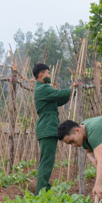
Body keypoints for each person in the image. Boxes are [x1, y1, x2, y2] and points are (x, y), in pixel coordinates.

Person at [32, 63, 73, 194]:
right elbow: (59, 94)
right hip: (47, 128)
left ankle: (43, 189)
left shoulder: (44, 89)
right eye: (48, 73)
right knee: (46, 162)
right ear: (40, 75)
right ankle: (42, 191)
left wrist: (71, 92)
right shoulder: (42, 88)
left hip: (48, 128)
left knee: (47, 161)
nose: (49, 76)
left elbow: (59, 100)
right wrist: (72, 89)